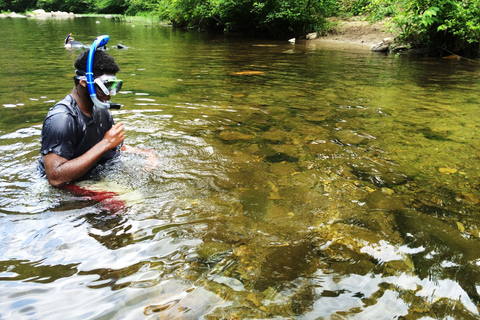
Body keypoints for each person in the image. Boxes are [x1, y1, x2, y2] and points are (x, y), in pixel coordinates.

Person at [38, 48, 156, 187]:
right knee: (127, 203)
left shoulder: (101, 110)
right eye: (105, 86)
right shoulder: (61, 119)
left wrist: (145, 154)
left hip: (91, 178)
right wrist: (105, 143)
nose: (110, 94)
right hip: (61, 190)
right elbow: (55, 178)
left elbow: (115, 147)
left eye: (114, 86)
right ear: (83, 82)